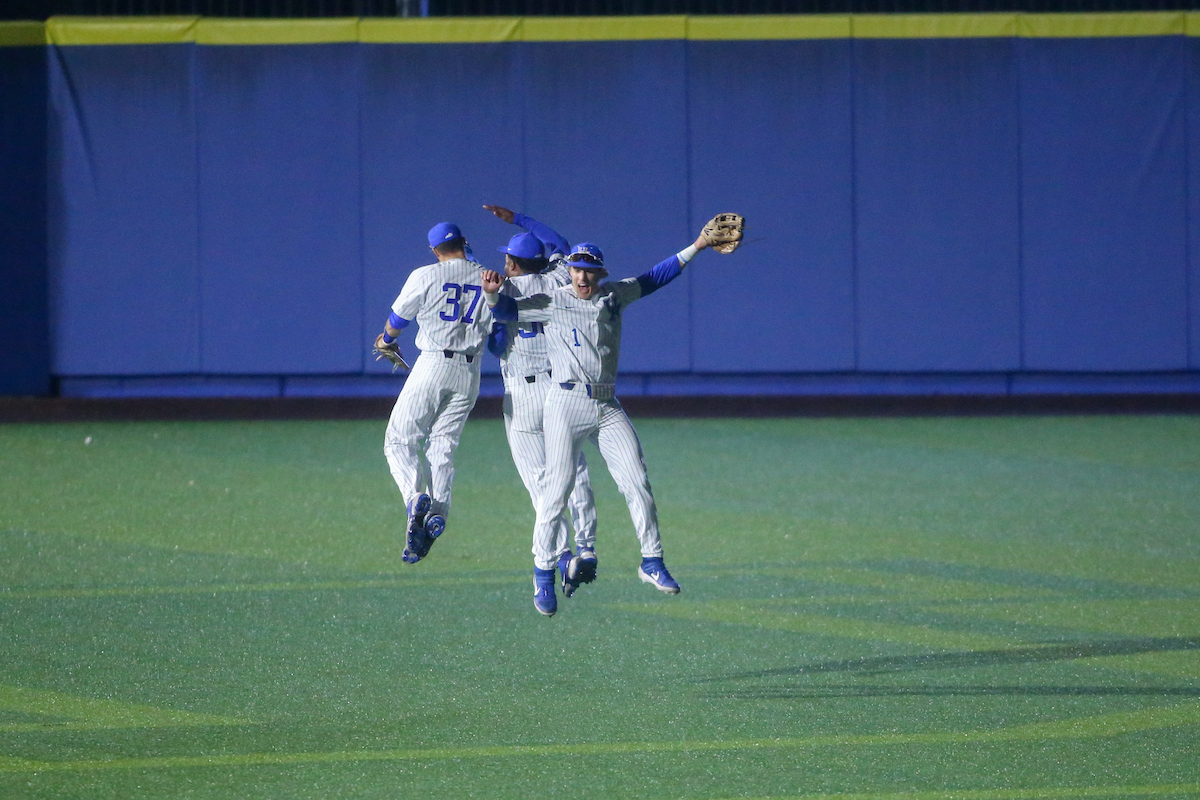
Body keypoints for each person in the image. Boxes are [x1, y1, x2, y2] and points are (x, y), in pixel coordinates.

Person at [481, 222, 718, 616]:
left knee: (637, 481)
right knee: (555, 492)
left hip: (607, 405)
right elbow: (507, 310)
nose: (582, 275)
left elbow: (655, 277)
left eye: (589, 270)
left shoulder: (614, 294)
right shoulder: (554, 298)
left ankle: (651, 561)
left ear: (600, 274)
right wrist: (491, 296)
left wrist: (697, 245)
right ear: (569, 270)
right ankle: (542, 575)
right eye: (576, 268)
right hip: (565, 402)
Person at [482, 205, 598, 601]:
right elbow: (560, 244)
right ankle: (586, 547)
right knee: (575, 471)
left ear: (513, 264)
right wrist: (519, 219)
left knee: (541, 485)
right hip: (561, 390)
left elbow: (496, 345)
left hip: (523, 395)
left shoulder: (501, 294)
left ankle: (559, 557)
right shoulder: (560, 280)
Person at [380, 222, 492, 565]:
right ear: (464, 243)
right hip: (471, 370)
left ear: (434, 251)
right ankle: (437, 512)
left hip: (432, 362)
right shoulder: (488, 277)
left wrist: (385, 340)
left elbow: (398, 318)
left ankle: (416, 499)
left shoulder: (425, 274)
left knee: (399, 440)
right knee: (443, 443)